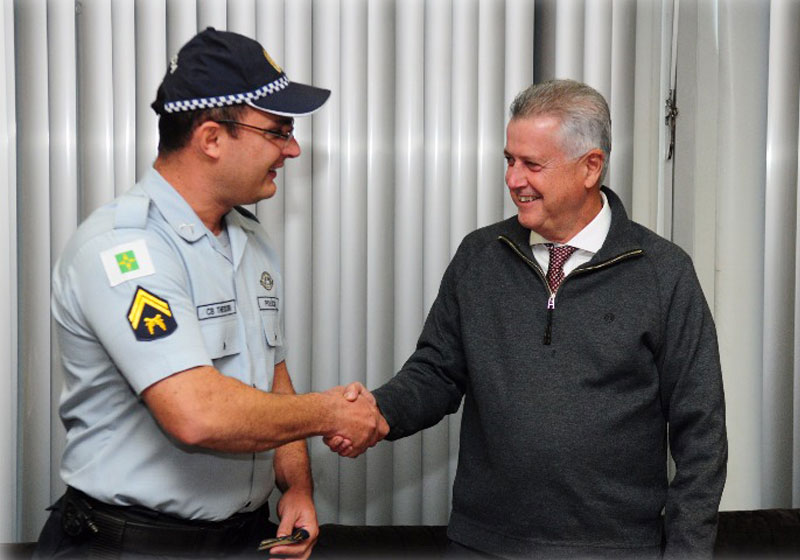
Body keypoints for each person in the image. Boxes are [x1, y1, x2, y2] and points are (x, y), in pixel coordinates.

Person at [328, 79, 727, 559]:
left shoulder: (663, 272)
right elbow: (435, 372)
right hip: (483, 544)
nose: (514, 179)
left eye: (532, 164)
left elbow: (700, 430)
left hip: (613, 548)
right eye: (509, 160)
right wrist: (377, 413)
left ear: (590, 167)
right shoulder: (480, 256)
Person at [34, 27, 387, 560]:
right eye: (278, 129)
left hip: (244, 538)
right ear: (211, 137)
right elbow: (197, 414)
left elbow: (273, 374)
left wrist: (296, 487)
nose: (291, 149)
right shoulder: (126, 249)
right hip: (133, 545)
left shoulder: (250, 239)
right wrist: (333, 412)